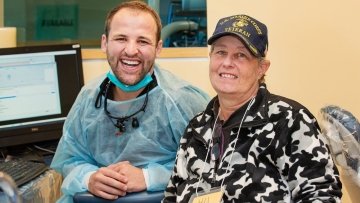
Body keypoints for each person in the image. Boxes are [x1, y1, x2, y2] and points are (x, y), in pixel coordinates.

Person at [163, 14, 342, 202]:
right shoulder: (196, 127)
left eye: (240, 55)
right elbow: (171, 196)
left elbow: (323, 195)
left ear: (261, 68)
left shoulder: (289, 121)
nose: (227, 63)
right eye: (220, 52)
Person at [50, 1, 210, 202]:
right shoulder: (88, 98)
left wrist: (148, 177)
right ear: (104, 42)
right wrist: (89, 177)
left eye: (143, 41)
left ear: (158, 48)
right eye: (121, 38)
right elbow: (69, 159)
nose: (131, 50)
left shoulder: (182, 100)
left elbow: (212, 165)